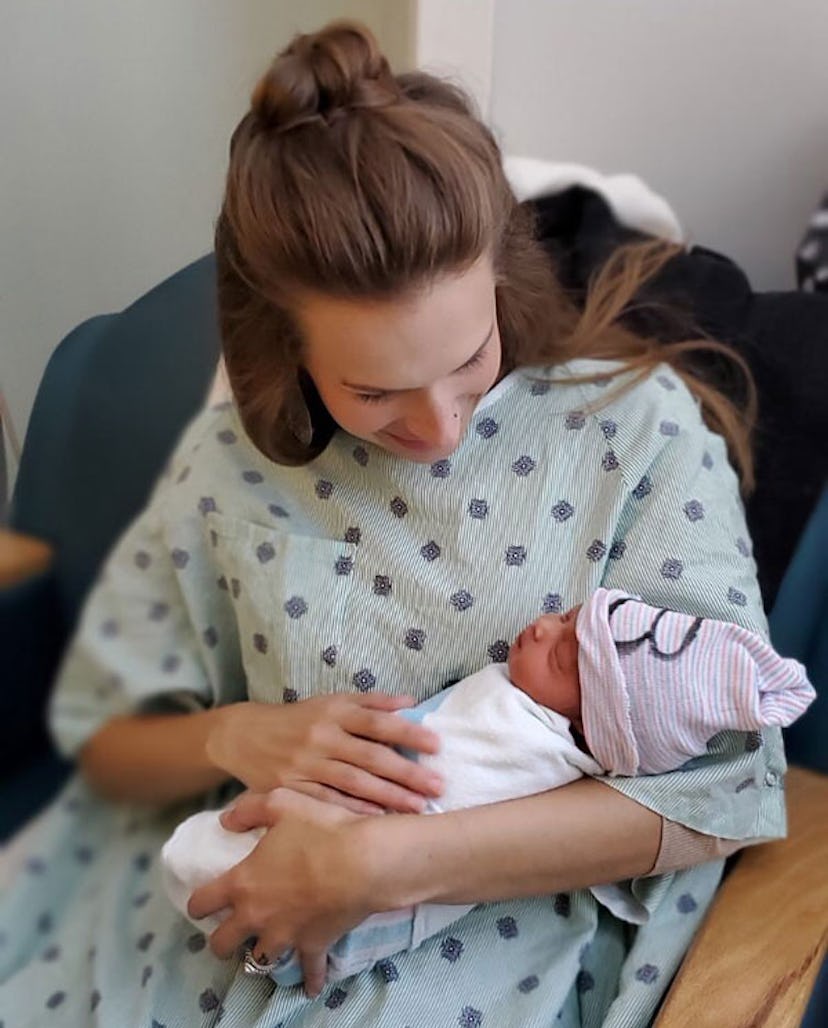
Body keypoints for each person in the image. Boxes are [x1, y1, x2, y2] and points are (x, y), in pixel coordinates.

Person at [0, 20, 788, 1028]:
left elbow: (728, 792)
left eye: (469, 357)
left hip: (500, 955)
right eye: (375, 391)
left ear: (500, 276)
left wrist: (377, 865)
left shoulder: (635, 433)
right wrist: (235, 731)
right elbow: (107, 746)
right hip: (222, 925)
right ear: (279, 351)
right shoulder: (233, 463)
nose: (439, 424)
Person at [160, 587, 814, 986]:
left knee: (227, 866)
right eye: (564, 615)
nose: (542, 627)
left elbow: (450, 792)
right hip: (317, 816)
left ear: (593, 730)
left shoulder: (538, 747)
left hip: (373, 855)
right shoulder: (530, 697)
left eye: (562, 654)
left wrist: (362, 847)